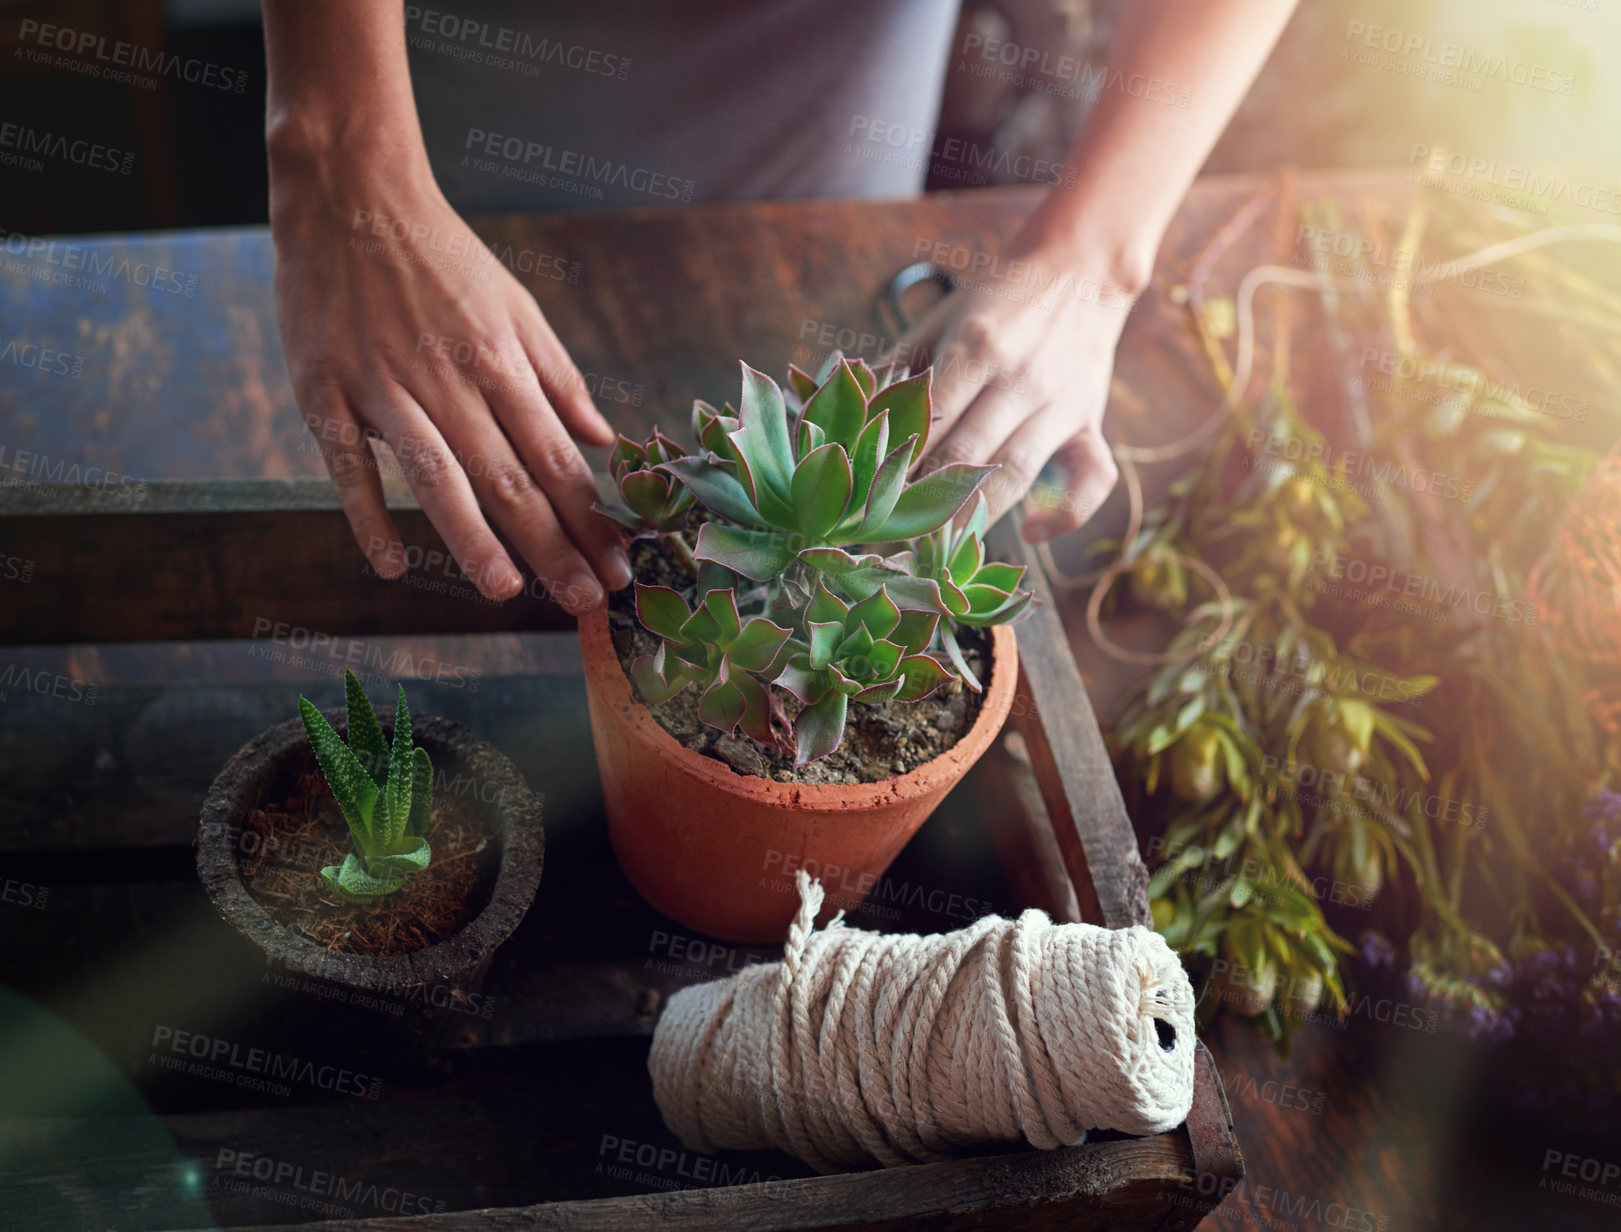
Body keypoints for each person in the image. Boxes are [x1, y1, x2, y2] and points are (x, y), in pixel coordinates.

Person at [262, 0, 1299, 613]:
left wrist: (1102, 250)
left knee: (810, 360)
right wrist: (340, 152)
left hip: (838, 72)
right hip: (480, 70)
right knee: (438, 464)